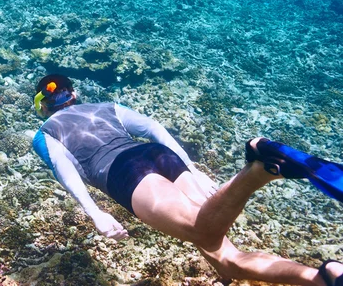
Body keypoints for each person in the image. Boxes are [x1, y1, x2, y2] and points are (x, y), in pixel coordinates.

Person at [31, 74, 343, 286]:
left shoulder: (45, 132)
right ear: (74, 94)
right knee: (221, 251)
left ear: (43, 106)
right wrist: (192, 169)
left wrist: (95, 213)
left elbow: (65, 170)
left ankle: (258, 171)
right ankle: (321, 278)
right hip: (157, 155)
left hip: (124, 172)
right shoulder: (105, 107)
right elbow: (153, 127)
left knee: (202, 230)